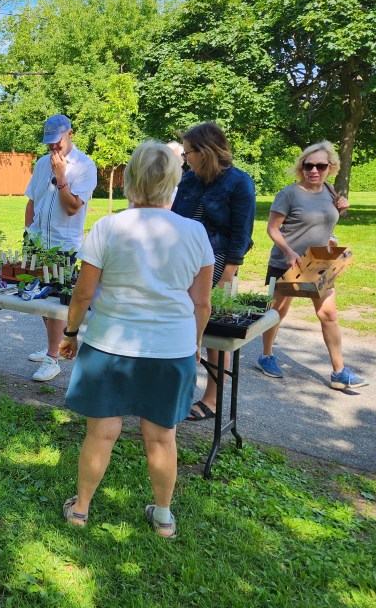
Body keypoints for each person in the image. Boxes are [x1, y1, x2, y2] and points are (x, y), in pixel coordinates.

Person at [59, 142, 214, 537]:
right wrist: (194, 346)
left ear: (130, 179)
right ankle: (163, 516)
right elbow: (202, 304)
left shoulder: (108, 227)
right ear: (174, 182)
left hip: (110, 346)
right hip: (172, 349)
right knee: (162, 437)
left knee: (101, 433)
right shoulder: (195, 232)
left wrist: (71, 332)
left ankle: (80, 510)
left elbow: (82, 294)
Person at [256, 141, 366, 390]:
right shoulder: (289, 194)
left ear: (331, 167)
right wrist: (287, 250)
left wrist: (343, 209)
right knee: (277, 312)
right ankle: (266, 355)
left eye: (320, 165)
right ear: (301, 167)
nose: (314, 170)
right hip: (287, 263)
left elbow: (325, 221)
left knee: (328, 314)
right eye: (309, 165)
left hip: (318, 263)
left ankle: (339, 372)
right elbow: (272, 228)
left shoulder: (329, 190)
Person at [171, 122, 255, 422]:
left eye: (188, 151)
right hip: (183, 259)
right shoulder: (189, 181)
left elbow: (241, 233)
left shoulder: (239, 182)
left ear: (204, 151)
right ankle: (177, 391)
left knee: (211, 331)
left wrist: (228, 274)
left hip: (218, 261)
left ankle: (213, 399)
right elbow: (174, 219)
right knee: (182, 322)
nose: (185, 157)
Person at [22, 114, 98, 382]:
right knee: (42, 299)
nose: (53, 148)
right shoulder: (42, 164)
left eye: (57, 142)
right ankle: (52, 345)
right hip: (38, 241)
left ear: (70, 134)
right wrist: (28, 233)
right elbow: (32, 201)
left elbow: (72, 207)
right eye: (49, 143)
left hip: (64, 245)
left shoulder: (85, 166)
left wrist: (61, 175)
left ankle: (53, 358)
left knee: (55, 301)